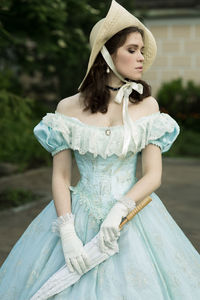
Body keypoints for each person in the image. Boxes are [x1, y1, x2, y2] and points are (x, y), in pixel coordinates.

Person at [0, 1, 200, 299]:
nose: (141, 57)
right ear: (106, 54)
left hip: (133, 213)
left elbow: (153, 175)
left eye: (141, 50)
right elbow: (61, 176)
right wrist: (67, 233)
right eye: (132, 50)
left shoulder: (148, 107)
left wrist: (120, 208)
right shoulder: (67, 109)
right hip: (78, 213)